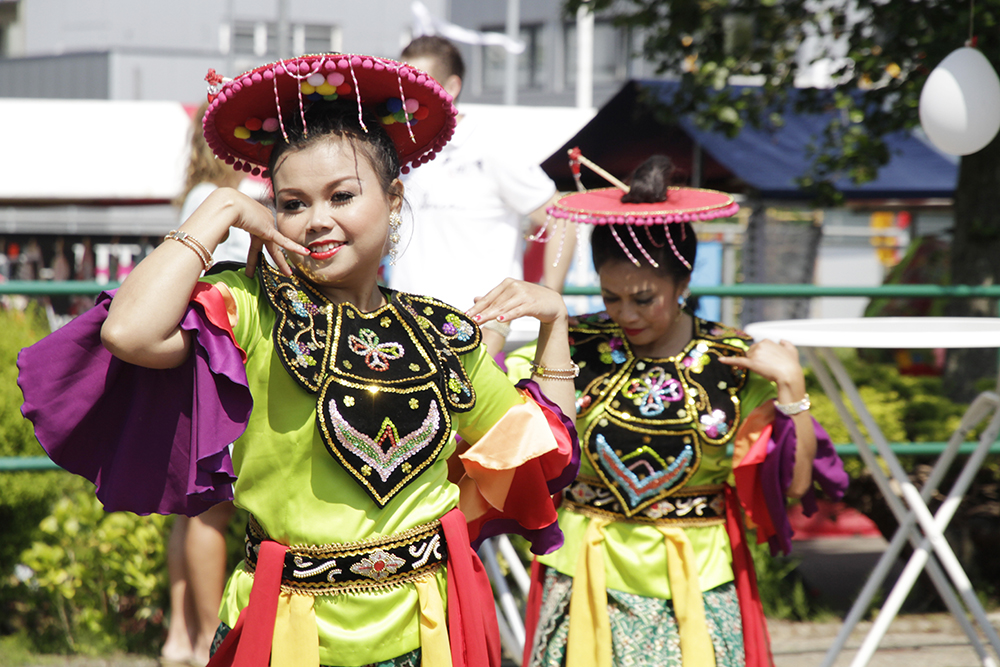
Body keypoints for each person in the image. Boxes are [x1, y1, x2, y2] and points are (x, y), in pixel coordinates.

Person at [18, 53, 580, 667]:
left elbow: (540, 451)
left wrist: (553, 325)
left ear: (395, 198)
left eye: (342, 195)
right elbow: (128, 332)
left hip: (429, 632)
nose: (318, 221)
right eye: (292, 203)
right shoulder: (253, 308)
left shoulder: (443, 332)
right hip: (286, 631)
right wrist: (224, 211)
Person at [508, 156, 849, 667]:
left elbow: (795, 488)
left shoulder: (734, 362)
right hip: (583, 574)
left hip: (696, 582)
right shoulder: (570, 345)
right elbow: (508, 432)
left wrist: (792, 390)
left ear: (683, 283)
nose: (625, 314)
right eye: (610, 296)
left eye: (644, 298)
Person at [389, 36, 573, 356]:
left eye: (420, 82)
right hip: (407, 330)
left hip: (479, 335)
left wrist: (546, 299)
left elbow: (563, 219)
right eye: (403, 83)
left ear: (452, 87)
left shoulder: (491, 145)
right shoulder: (398, 150)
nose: (408, 94)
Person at [160, 101, 249, 667]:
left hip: (202, 365)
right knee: (209, 510)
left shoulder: (198, 197)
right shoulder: (222, 201)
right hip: (222, 363)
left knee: (193, 508)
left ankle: (182, 637)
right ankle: (205, 640)